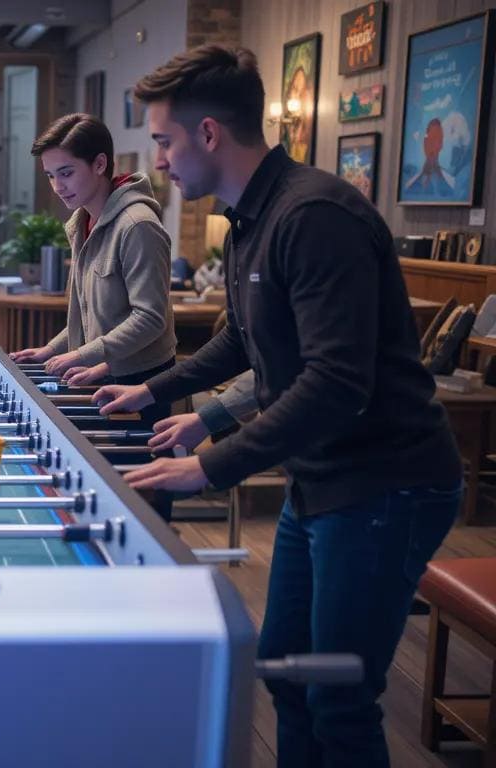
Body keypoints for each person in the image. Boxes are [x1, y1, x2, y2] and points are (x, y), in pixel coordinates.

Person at [94, 45, 462, 768]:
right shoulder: (251, 216)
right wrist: (166, 394)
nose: (158, 161)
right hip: (321, 479)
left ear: (208, 135)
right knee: (289, 679)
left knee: (340, 695)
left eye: (164, 141)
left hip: (387, 484)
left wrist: (211, 466)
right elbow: (247, 336)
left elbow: (335, 383)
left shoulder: (314, 215)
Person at [7, 113, 176, 431]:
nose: (58, 187)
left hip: (143, 381)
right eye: (50, 176)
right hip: (106, 369)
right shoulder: (81, 222)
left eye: (66, 173)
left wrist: (82, 354)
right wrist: (52, 350)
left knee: (132, 478)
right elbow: (91, 315)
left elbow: (150, 319)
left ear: (100, 164)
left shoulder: (137, 225)